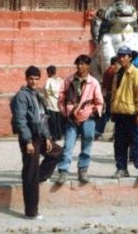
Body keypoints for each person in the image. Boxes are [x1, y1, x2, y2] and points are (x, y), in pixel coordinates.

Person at [10, 65, 61, 220]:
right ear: (26, 79)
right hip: (30, 137)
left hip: (40, 136)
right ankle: (31, 212)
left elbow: (42, 118)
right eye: (31, 78)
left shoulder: (37, 95)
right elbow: (20, 120)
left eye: (36, 79)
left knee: (57, 152)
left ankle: (37, 177)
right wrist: (27, 141)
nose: (33, 81)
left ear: (39, 79)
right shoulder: (22, 96)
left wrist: (47, 137)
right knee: (30, 171)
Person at [55, 54, 104, 185]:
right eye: (78, 64)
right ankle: (63, 171)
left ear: (88, 66)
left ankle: (83, 170)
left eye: (82, 64)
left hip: (88, 119)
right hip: (71, 119)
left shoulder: (93, 82)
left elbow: (99, 102)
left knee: (87, 144)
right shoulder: (69, 80)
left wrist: (93, 112)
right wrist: (66, 112)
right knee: (68, 145)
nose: (79, 66)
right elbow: (61, 98)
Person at [110, 46, 138, 182]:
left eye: (124, 56)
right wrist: (113, 110)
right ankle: (122, 168)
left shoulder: (137, 74)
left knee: (137, 143)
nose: (121, 58)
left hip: (133, 114)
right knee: (120, 143)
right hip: (120, 113)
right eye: (120, 56)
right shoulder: (118, 73)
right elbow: (115, 94)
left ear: (130, 57)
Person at [95, 56, 118, 139]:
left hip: (107, 95)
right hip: (113, 96)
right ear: (115, 63)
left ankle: (97, 131)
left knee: (105, 115)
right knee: (116, 116)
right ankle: (116, 135)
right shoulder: (114, 72)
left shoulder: (106, 72)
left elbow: (104, 86)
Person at [43, 65, 64, 141]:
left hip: (51, 104)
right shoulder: (60, 80)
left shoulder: (49, 80)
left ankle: (54, 136)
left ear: (48, 72)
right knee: (58, 121)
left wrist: (48, 95)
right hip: (59, 104)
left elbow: (46, 89)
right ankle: (59, 135)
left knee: (52, 121)